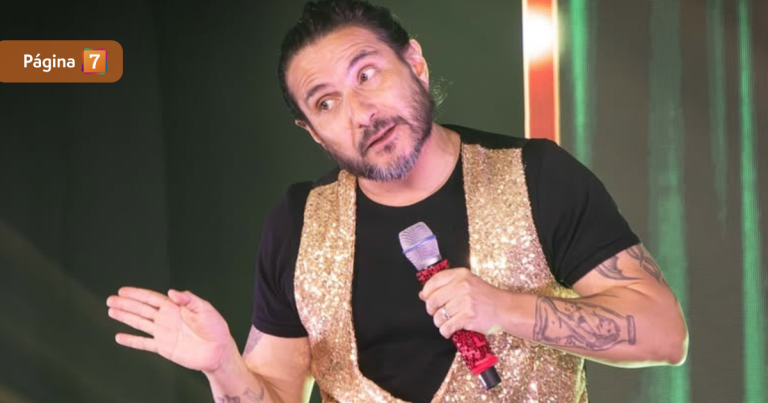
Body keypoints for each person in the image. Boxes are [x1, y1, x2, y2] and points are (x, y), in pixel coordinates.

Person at [106, 1, 689, 402]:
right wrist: (224, 369)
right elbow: (276, 393)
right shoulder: (298, 223)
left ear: (414, 63)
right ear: (313, 133)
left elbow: (665, 335)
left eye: (367, 75)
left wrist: (505, 310)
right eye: (326, 103)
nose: (361, 113)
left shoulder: (537, 176)